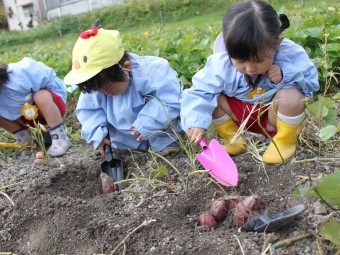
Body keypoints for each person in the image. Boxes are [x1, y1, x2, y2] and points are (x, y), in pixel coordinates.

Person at [180, 0, 319, 164]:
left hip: (273, 116)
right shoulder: (221, 64)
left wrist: (285, 74)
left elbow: (311, 83)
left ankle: (284, 141)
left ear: (276, 44)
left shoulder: (289, 54)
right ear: (227, 46)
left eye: (259, 60)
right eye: (240, 61)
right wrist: (196, 122)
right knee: (212, 98)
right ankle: (234, 140)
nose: (250, 68)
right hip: (240, 115)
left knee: (291, 97)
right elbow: (199, 92)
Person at [64, 23, 183, 157]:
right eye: (100, 90)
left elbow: (170, 99)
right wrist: (97, 135)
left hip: (159, 129)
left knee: (166, 127)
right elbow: (89, 112)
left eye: (109, 89)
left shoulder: (152, 71)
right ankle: (127, 150)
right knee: (120, 146)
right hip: (123, 140)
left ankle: (168, 143)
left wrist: (148, 121)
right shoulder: (98, 86)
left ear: (126, 67)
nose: (106, 93)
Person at [0, 57, 71, 157]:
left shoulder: (18, 75)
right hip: (27, 116)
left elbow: (44, 74)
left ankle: (60, 139)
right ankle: (26, 142)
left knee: (40, 96)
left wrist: (40, 92)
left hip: (50, 107)